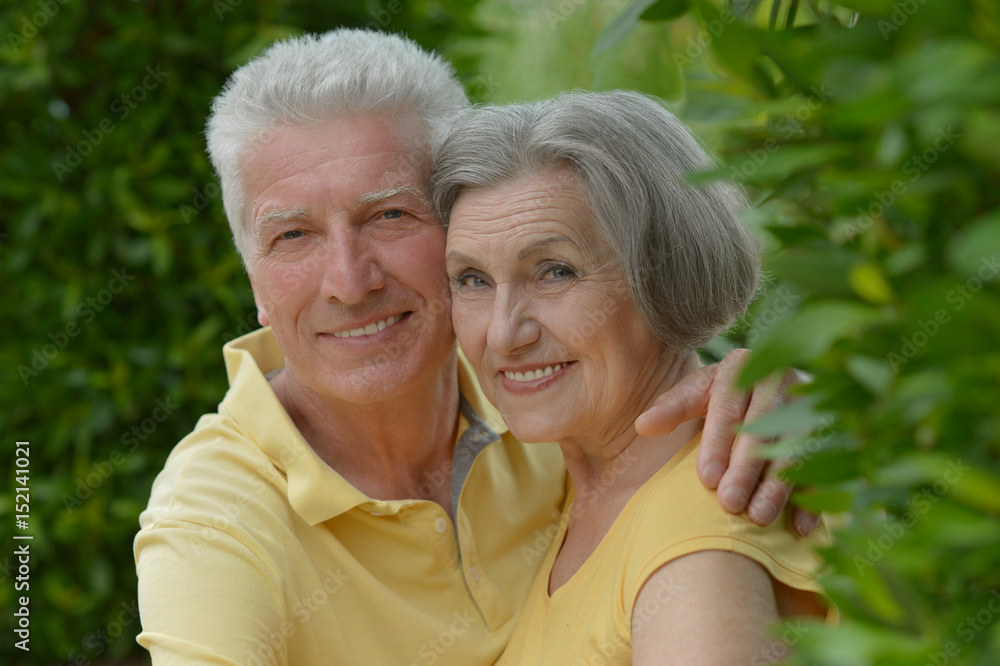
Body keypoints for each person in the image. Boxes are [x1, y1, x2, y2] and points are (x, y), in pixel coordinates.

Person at [134, 29, 815, 665]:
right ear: (251, 276)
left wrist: (820, 405)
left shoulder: (609, 437)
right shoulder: (213, 523)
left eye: (390, 215)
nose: (348, 282)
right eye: (293, 236)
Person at [433, 90, 831, 665]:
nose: (501, 334)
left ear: (663, 275)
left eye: (555, 272)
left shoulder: (698, 542)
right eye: (471, 279)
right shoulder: (572, 483)